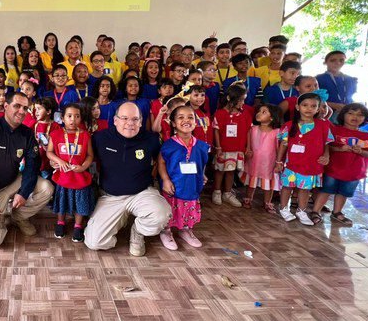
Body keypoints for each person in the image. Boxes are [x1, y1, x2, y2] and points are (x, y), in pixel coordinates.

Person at [0, 91, 54, 249]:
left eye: (25, 108)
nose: (21, 111)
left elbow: (32, 166)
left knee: (46, 188)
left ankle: (18, 217)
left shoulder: (27, 134)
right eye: (17, 106)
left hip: (11, 183)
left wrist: (24, 193)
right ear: (5, 106)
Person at [83, 102, 172, 256]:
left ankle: (138, 231)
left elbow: (164, 161)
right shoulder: (100, 138)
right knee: (94, 242)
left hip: (141, 193)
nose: (130, 123)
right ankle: (120, 219)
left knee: (161, 214)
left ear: (141, 122)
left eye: (135, 119)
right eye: (124, 118)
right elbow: (82, 156)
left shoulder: (151, 139)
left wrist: (168, 179)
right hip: (111, 197)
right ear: (115, 120)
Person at [312, 103, 368, 226]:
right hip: (333, 169)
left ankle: (337, 212)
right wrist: (340, 149)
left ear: (365, 119)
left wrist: (361, 151)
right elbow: (326, 146)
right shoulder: (333, 130)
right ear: (342, 115)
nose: (355, 117)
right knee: (325, 190)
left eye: (360, 115)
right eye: (350, 113)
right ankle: (315, 211)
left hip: (354, 172)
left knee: (343, 193)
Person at [275, 92, 333, 226]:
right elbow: (283, 144)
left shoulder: (323, 126)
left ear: (318, 109)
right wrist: (278, 161)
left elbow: (327, 143)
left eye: (313, 106)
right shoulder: (289, 125)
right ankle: (284, 208)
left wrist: (326, 155)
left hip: (310, 164)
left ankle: (301, 211)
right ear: (297, 107)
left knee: (305, 189)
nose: (309, 108)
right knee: (287, 187)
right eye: (305, 105)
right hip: (291, 164)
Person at [157, 104, 209, 250]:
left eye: (190, 117)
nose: (186, 120)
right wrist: (166, 180)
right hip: (173, 185)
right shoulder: (168, 145)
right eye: (181, 117)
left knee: (189, 207)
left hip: (192, 184)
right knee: (170, 209)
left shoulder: (202, 146)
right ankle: (166, 231)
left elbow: (201, 162)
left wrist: (202, 174)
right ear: (173, 123)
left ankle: (185, 230)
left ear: (195, 122)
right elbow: (161, 163)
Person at [46, 103, 95, 243]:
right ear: (62, 118)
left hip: (79, 176)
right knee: (62, 201)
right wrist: (59, 161)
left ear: (81, 118)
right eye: (69, 116)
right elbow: (49, 152)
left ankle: (78, 225)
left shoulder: (85, 135)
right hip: (64, 176)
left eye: (77, 116)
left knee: (80, 202)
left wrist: (83, 167)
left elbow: (90, 155)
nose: (73, 119)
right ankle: (60, 222)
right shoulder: (55, 134)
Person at [211, 84, 251, 207]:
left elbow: (248, 131)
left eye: (244, 100)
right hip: (223, 148)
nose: (242, 103)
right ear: (229, 98)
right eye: (240, 100)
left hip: (238, 148)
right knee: (220, 170)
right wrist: (218, 147)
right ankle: (217, 192)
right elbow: (216, 130)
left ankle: (227, 193)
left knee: (231, 171)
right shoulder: (220, 114)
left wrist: (248, 147)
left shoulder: (245, 114)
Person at [240, 104, 281, 213]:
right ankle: (248, 198)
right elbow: (249, 143)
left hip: (269, 162)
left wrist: (279, 162)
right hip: (254, 161)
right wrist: (248, 150)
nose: (259, 113)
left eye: (264, 112)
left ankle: (267, 202)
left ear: (272, 117)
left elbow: (279, 148)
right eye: (259, 111)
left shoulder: (277, 132)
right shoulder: (253, 129)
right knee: (251, 180)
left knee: (269, 183)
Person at [316, 50, 357, 115]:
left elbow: (350, 97)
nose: (338, 63)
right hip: (326, 113)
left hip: (348, 113)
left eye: (341, 60)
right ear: (325, 62)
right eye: (333, 60)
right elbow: (311, 98)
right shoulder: (318, 79)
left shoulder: (351, 80)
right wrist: (333, 105)